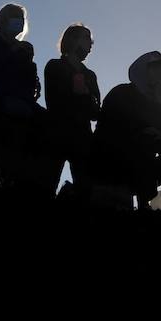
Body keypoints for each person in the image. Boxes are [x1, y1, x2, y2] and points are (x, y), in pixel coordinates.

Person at [93, 51, 161, 210]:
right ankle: (143, 205)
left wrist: (157, 107)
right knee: (144, 140)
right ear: (143, 70)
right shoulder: (121, 93)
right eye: (156, 69)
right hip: (113, 164)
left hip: (145, 171)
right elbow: (115, 130)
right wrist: (151, 120)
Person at [0, 2, 52, 193]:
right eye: (16, 17)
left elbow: (30, 84)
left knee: (16, 166)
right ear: (3, 18)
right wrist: (11, 52)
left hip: (22, 112)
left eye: (22, 19)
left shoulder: (24, 49)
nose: (20, 22)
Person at [43, 23, 101, 197]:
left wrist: (84, 97)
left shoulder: (90, 75)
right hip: (57, 134)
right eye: (86, 38)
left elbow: (95, 112)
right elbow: (53, 102)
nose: (90, 43)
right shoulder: (54, 66)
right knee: (47, 184)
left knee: (85, 187)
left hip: (83, 137)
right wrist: (80, 96)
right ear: (73, 40)